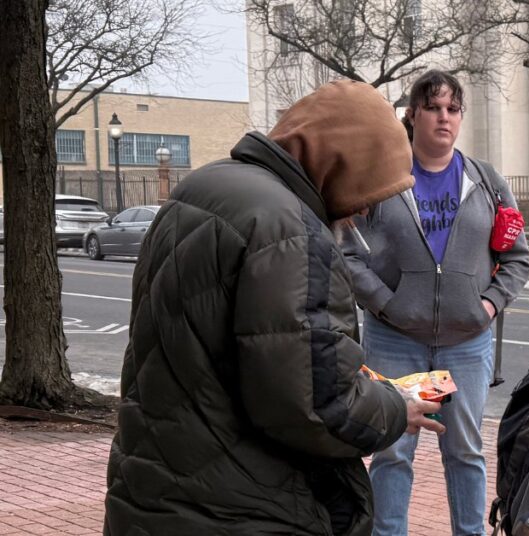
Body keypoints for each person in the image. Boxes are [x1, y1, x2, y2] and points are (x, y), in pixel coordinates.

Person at [104, 80, 445, 536]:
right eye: (368, 191)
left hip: (153, 485)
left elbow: (258, 353)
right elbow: (316, 405)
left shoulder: (203, 186)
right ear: (339, 164)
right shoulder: (292, 230)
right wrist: (395, 408)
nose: (363, 211)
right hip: (240, 505)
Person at [342, 70, 529, 536]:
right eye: (433, 107)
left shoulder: (486, 182)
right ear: (413, 115)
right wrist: (387, 304)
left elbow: (517, 258)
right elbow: (346, 253)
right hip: (396, 340)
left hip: (465, 345)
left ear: (460, 116)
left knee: (465, 451)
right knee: (391, 450)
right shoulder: (385, 178)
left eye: (452, 109)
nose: (444, 117)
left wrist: (485, 307)